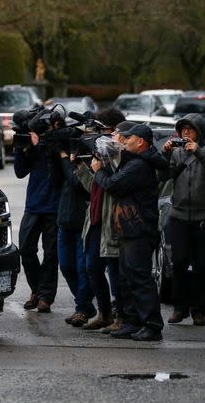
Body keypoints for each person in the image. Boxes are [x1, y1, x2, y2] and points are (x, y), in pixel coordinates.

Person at [93, 123, 168, 341]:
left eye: (128, 139)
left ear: (141, 141)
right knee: (126, 279)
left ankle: (152, 326)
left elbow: (113, 185)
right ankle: (132, 321)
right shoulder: (134, 162)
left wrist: (99, 171)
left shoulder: (139, 166)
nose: (123, 142)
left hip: (140, 229)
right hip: (128, 229)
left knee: (140, 279)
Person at [160, 113, 205, 327]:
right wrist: (165, 153)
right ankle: (180, 308)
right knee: (178, 263)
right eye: (182, 129)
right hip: (179, 215)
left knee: (201, 265)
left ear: (199, 131)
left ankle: (199, 310)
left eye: (190, 129)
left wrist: (198, 152)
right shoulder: (177, 153)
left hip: (204, 216)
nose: (185, 133)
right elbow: (163, 176)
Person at [72, 108, 127, 331]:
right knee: (92, 267)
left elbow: (112, 185)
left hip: (111, 220)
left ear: (114, 130)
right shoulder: (101, 152)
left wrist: (102, 165)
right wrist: (80, 167)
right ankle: (104, 312)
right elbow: (94, 187)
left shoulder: (121, 153)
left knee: (115, 270)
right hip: (94, 218)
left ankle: (120, 316)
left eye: (103, 129)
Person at [13, 114, 63, 313]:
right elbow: (19, 172)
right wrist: (22, 148)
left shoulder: (55, 141)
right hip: (33, 205)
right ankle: (37, 289)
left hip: (54, 206)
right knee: (25, 249)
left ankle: (45, 297)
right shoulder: (29, 145)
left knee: (51, 254)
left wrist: (43, 142)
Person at [57, 147, 96, 327]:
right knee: (66, 266)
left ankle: (82, 308)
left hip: (83, 223)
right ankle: (85, 304)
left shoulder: (90, 159)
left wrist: (66, 159)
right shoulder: (67, 160)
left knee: (82, 269)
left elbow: (76, 182)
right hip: (64, 220)